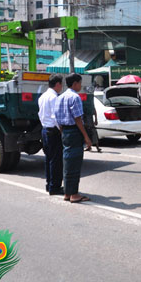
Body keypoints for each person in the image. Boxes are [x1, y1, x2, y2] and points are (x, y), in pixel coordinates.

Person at [54, 73, 93, 204]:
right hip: (74, 132)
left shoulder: (60, 97)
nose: (81, 86)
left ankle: (67, 192)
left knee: (67, 162)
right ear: (75, 83)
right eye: (80, 83)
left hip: (65, 131)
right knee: (75, 163)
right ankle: (74, 194)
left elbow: (57, 118)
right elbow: (78, 119)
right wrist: (86, 137)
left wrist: (62, 131)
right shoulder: (75, 97)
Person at [38, 74, 64, 196]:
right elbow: (56, 117)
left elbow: (40, 114)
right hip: (53, 131)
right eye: (61, 85)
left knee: (49, 159)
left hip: (45, 130)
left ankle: (49, 185)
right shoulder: (54, 97)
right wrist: (62, 130)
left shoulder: (42, 96)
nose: (62, 87)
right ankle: (55, 187)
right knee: (56, 160)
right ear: (57, 84)